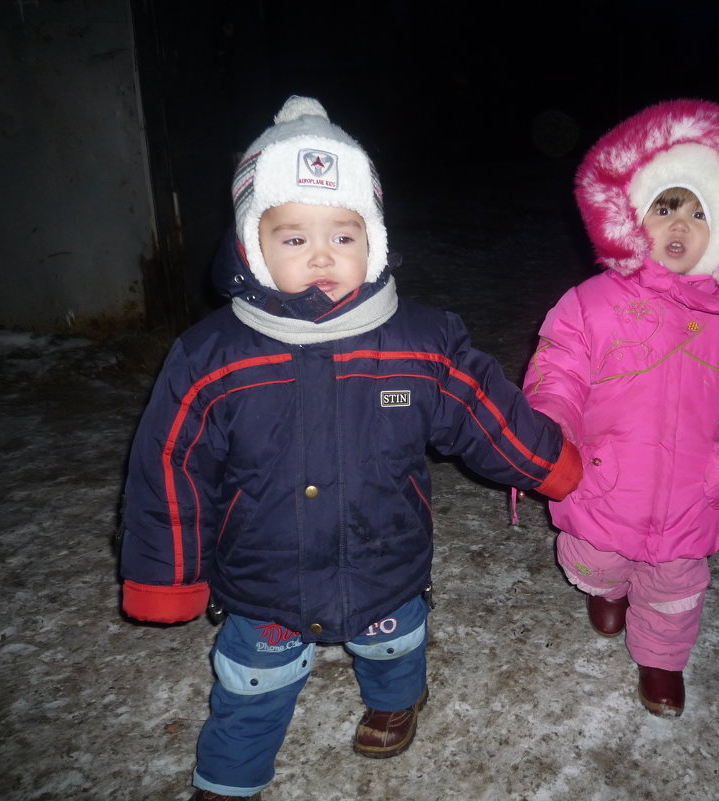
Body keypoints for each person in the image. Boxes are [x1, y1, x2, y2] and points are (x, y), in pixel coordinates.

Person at [118, 95, 582, 801]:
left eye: (343, 234)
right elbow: (170, 467)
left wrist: (550, 462)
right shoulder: (210, 355)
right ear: (251, 244)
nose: (321, 257)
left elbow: (486, 412)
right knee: (251, 683)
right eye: (293, 237)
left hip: (384, 557)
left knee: (393, 645)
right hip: (263, 574)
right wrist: (167, 573)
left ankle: (398, 698)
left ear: (376, 243)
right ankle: (229, 777)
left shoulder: (420, 342)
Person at [522, 98, 719, 718]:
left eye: (699, 213)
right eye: (666, 208)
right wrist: (546, 435)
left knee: (676, 586)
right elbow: (559, 372)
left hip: (694, 488)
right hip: (607, 477)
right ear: (635, 217)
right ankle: (604, 589)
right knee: (594, 555)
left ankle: (662, 663)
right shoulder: (593, 301)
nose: (680, 226)